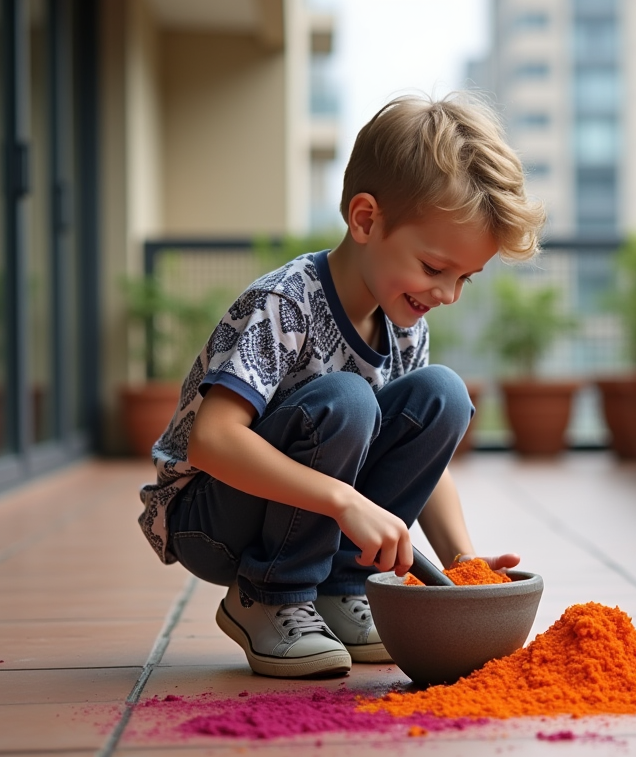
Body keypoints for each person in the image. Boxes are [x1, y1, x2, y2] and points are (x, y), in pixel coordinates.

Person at [136, 94, 546, 678]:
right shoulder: (287, 303)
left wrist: (461, 563)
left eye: (465, 278)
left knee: (444, 395)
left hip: (311, 521)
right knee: (348, 399)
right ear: (365, 220)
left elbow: (425, 465)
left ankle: (339, 590)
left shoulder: (405, 328)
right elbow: (213, 441)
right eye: (434, 268)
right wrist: (345, 501)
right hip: (213, 520)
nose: (448, 294)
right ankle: (267, 596)